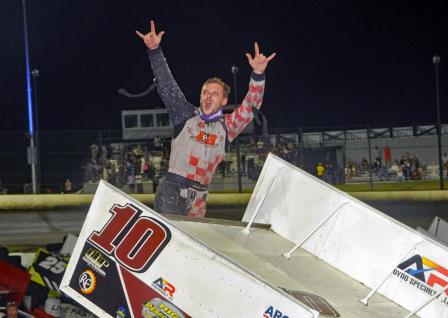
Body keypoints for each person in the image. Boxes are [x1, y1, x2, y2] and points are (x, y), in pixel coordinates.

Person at [136, 20, 275, 217]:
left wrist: (258, 75)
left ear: (224, 99)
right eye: (205, 92)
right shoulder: (185, 114)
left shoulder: (227, 127)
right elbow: (167, 85)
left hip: (199, 198)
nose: (208, 96)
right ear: (200, 97)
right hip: (171, 193)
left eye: (215, 93)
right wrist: (155, 51)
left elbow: (251, 106)